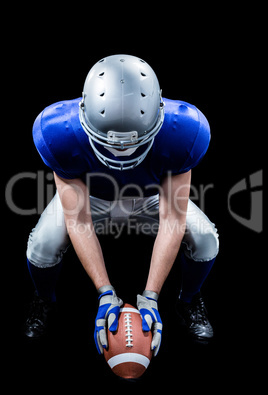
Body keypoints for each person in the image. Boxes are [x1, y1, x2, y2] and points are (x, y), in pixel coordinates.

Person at [24, 54, 219, 355]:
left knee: (207, 239)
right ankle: (44, 299)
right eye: (112, 143)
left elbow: (173, 219)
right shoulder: (57, 132)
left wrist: (151, 296)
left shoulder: (184, 132)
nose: (122, 153)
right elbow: (78, 219)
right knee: (41, 246)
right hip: (92, 197)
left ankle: (189, 299)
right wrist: (105, 292)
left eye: (133, 143)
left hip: (150, 198)